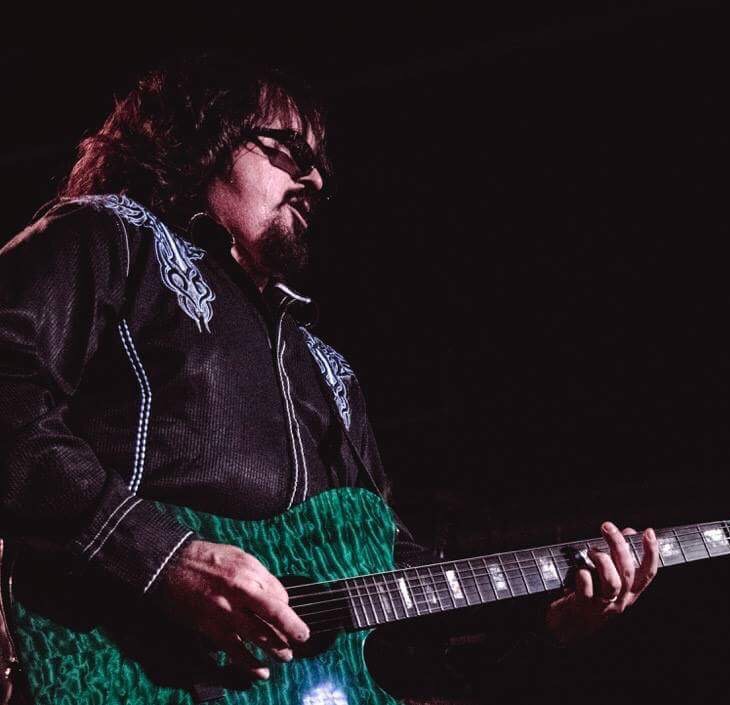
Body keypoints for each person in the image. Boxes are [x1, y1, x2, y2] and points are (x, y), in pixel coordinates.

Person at [0, 54, 659, 701]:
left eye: (319, 164)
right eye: (289, 151)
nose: (314, 179)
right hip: (96, 657)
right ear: (200, 141)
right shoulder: (112, 236)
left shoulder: (327, 370)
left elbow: (390, 585)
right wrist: (163, 557)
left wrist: (548, 619)